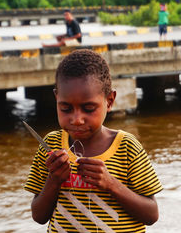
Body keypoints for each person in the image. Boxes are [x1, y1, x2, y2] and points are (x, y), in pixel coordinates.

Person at [24, 49, 163, 233]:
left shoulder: (127, 147)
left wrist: (110, 183)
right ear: (56, 98)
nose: (77, 119)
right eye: (65, 108)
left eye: (88, 108)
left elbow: (151, 215)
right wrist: (54, 180)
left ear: (110, 101)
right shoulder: (51, 146)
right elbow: (39, 216)